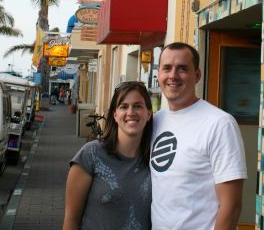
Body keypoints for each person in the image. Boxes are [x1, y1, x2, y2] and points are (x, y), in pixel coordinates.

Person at [150, 42, 247, 230]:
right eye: (167, 68)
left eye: (182, 69)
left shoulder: (219, 124)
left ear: (197, 76)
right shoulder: (155, 122)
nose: (173, 76)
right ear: (159, 74)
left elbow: (232, 206)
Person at [62, 81, 153, 230]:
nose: (131, 112)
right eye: (124, 106)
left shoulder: (155, 161)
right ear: (115, 115)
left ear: (148, 114)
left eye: (138, 106)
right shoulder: (90, 155)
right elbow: (71, 220)